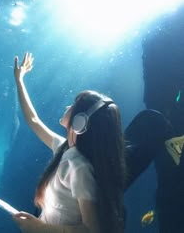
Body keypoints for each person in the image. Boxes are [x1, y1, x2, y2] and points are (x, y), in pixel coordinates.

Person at [11, 52, 126, 233]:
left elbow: (91, 230)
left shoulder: (79, 167)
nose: (67, 107)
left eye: (73, 105)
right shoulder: (65, 149)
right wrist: (20, 80)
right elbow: (33, 120)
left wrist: (39, 228)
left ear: (80, 122)